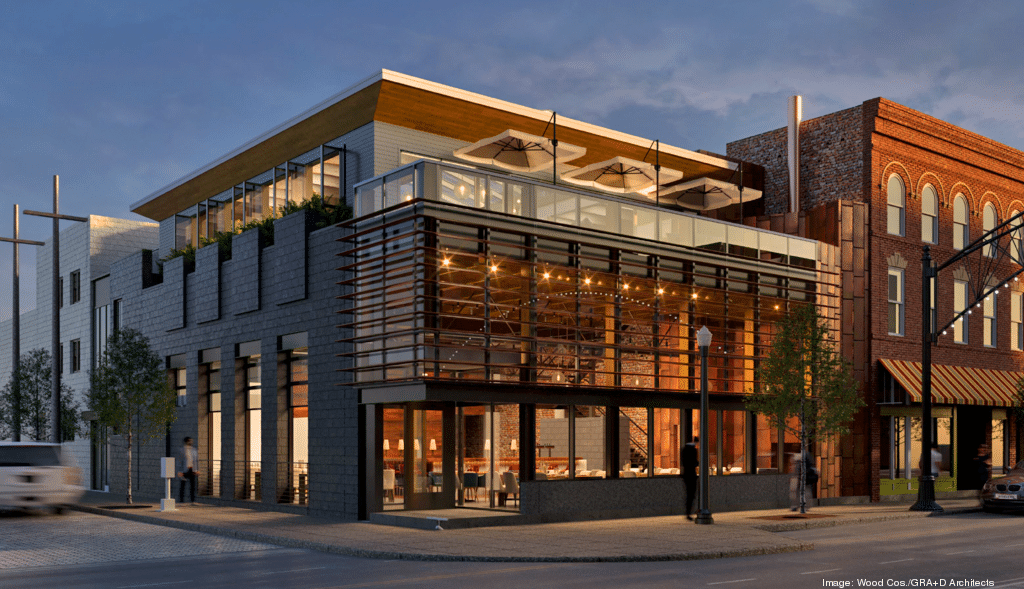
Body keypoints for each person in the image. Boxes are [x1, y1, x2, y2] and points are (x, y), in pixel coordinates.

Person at [682, 436, 699, 521]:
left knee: (689, 494)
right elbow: (695, 462)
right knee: (692, 494)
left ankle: (688, 512)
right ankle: (691, 511)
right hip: (692, 474)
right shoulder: (693, 450)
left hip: (686, 474)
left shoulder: (684, 449)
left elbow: (683, 462)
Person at [178, 436, 198, 504]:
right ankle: (181, 501)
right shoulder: (181, 450)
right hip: (184, 470)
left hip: (192, 469)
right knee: (182, 485)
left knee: (192, 486)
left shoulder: (194, 450)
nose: (191, 442)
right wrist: (179, 471)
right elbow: (179, 461)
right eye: (190, 441)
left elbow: (195, 460)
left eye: (191, 440)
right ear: (186, 441)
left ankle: (193, 501)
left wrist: (196, 469)